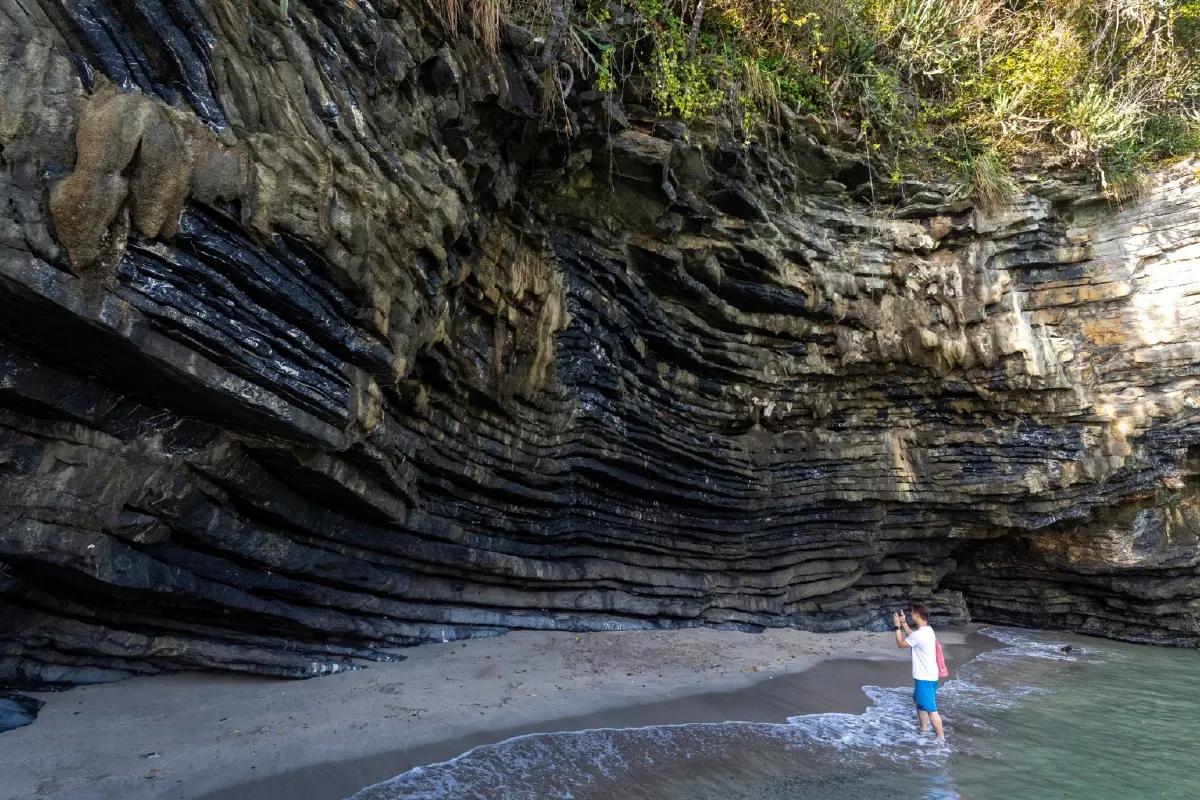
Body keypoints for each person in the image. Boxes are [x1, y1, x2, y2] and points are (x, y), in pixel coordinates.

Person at [893, 603, 945, 740]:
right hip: (929, 676)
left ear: (916, 614)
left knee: (931, 711)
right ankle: (923, 729)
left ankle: (941, 740)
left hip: (924, 678)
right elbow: (913, 638)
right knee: (918, 700)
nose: (910, 615)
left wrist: (897, 626)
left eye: (911, 613)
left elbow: (901, 644)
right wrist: (904, 622)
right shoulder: (927, 631)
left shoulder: (920, 635)